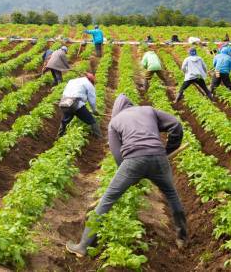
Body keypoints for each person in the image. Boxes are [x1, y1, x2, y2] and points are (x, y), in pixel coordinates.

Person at [66, 94, 187, 257]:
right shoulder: (148, 110)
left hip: (133, 161)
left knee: (107, 200)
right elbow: (176, 125)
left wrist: (130, 175)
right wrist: (168, 151)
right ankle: (182, 238)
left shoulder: (114, 122)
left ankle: (83, 246)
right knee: (172, 195)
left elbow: (118, 156)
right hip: (159, 157)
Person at [58, 73, 101, 138]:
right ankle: (99, 138)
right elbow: (92, 100)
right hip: (77, 104)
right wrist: (94, 110)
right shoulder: (89, 84)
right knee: (92, 121)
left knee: (65, 121)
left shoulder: (72, 81)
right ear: (91, 80)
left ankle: (59, 136)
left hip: (64, 102)